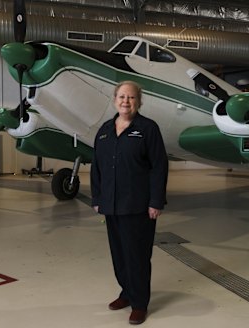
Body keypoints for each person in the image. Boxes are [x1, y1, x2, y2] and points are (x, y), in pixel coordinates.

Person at [90, 81, 168, 325]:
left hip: (138, 206)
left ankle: (140, 303)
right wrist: (97, 198)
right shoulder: (104, 130)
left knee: (137, 256)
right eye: (122, 97)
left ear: (139, 101)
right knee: (120, 255)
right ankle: (126, 292)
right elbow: (97, 168)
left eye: (131, 98)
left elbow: (159, 167)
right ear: (115, 99)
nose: (126, 101)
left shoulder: (148, 129)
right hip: (111, 206)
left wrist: (155, 201)